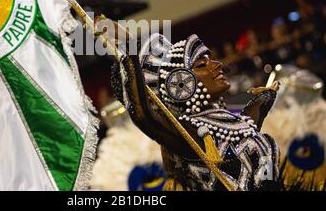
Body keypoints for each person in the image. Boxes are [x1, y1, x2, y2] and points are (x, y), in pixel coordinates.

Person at [108, 30, 281, 191]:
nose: (216, 65)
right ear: (179, 82)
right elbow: (144, 116)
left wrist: (264, 99)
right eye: (201, 64)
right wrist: (129, 56)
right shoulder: (189, 132)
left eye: (210, 59)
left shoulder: (223, 123)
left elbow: (248, 128)